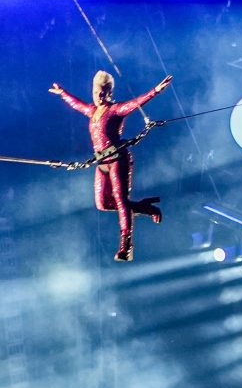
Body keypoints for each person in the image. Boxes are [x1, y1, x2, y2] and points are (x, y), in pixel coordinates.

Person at [50, 70, 172, 262]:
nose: (98, 96)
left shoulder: (115, 110)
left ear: (108, 93)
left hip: (118, 159)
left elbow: (135, 103)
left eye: (102, 92)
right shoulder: (92, 111)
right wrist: (62, 93)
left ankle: (126, 246)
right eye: (95, 92)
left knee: (121, 200)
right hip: (102, 162)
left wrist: (155, 90)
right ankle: (145, 208)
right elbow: (77, 104)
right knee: (103, 204)